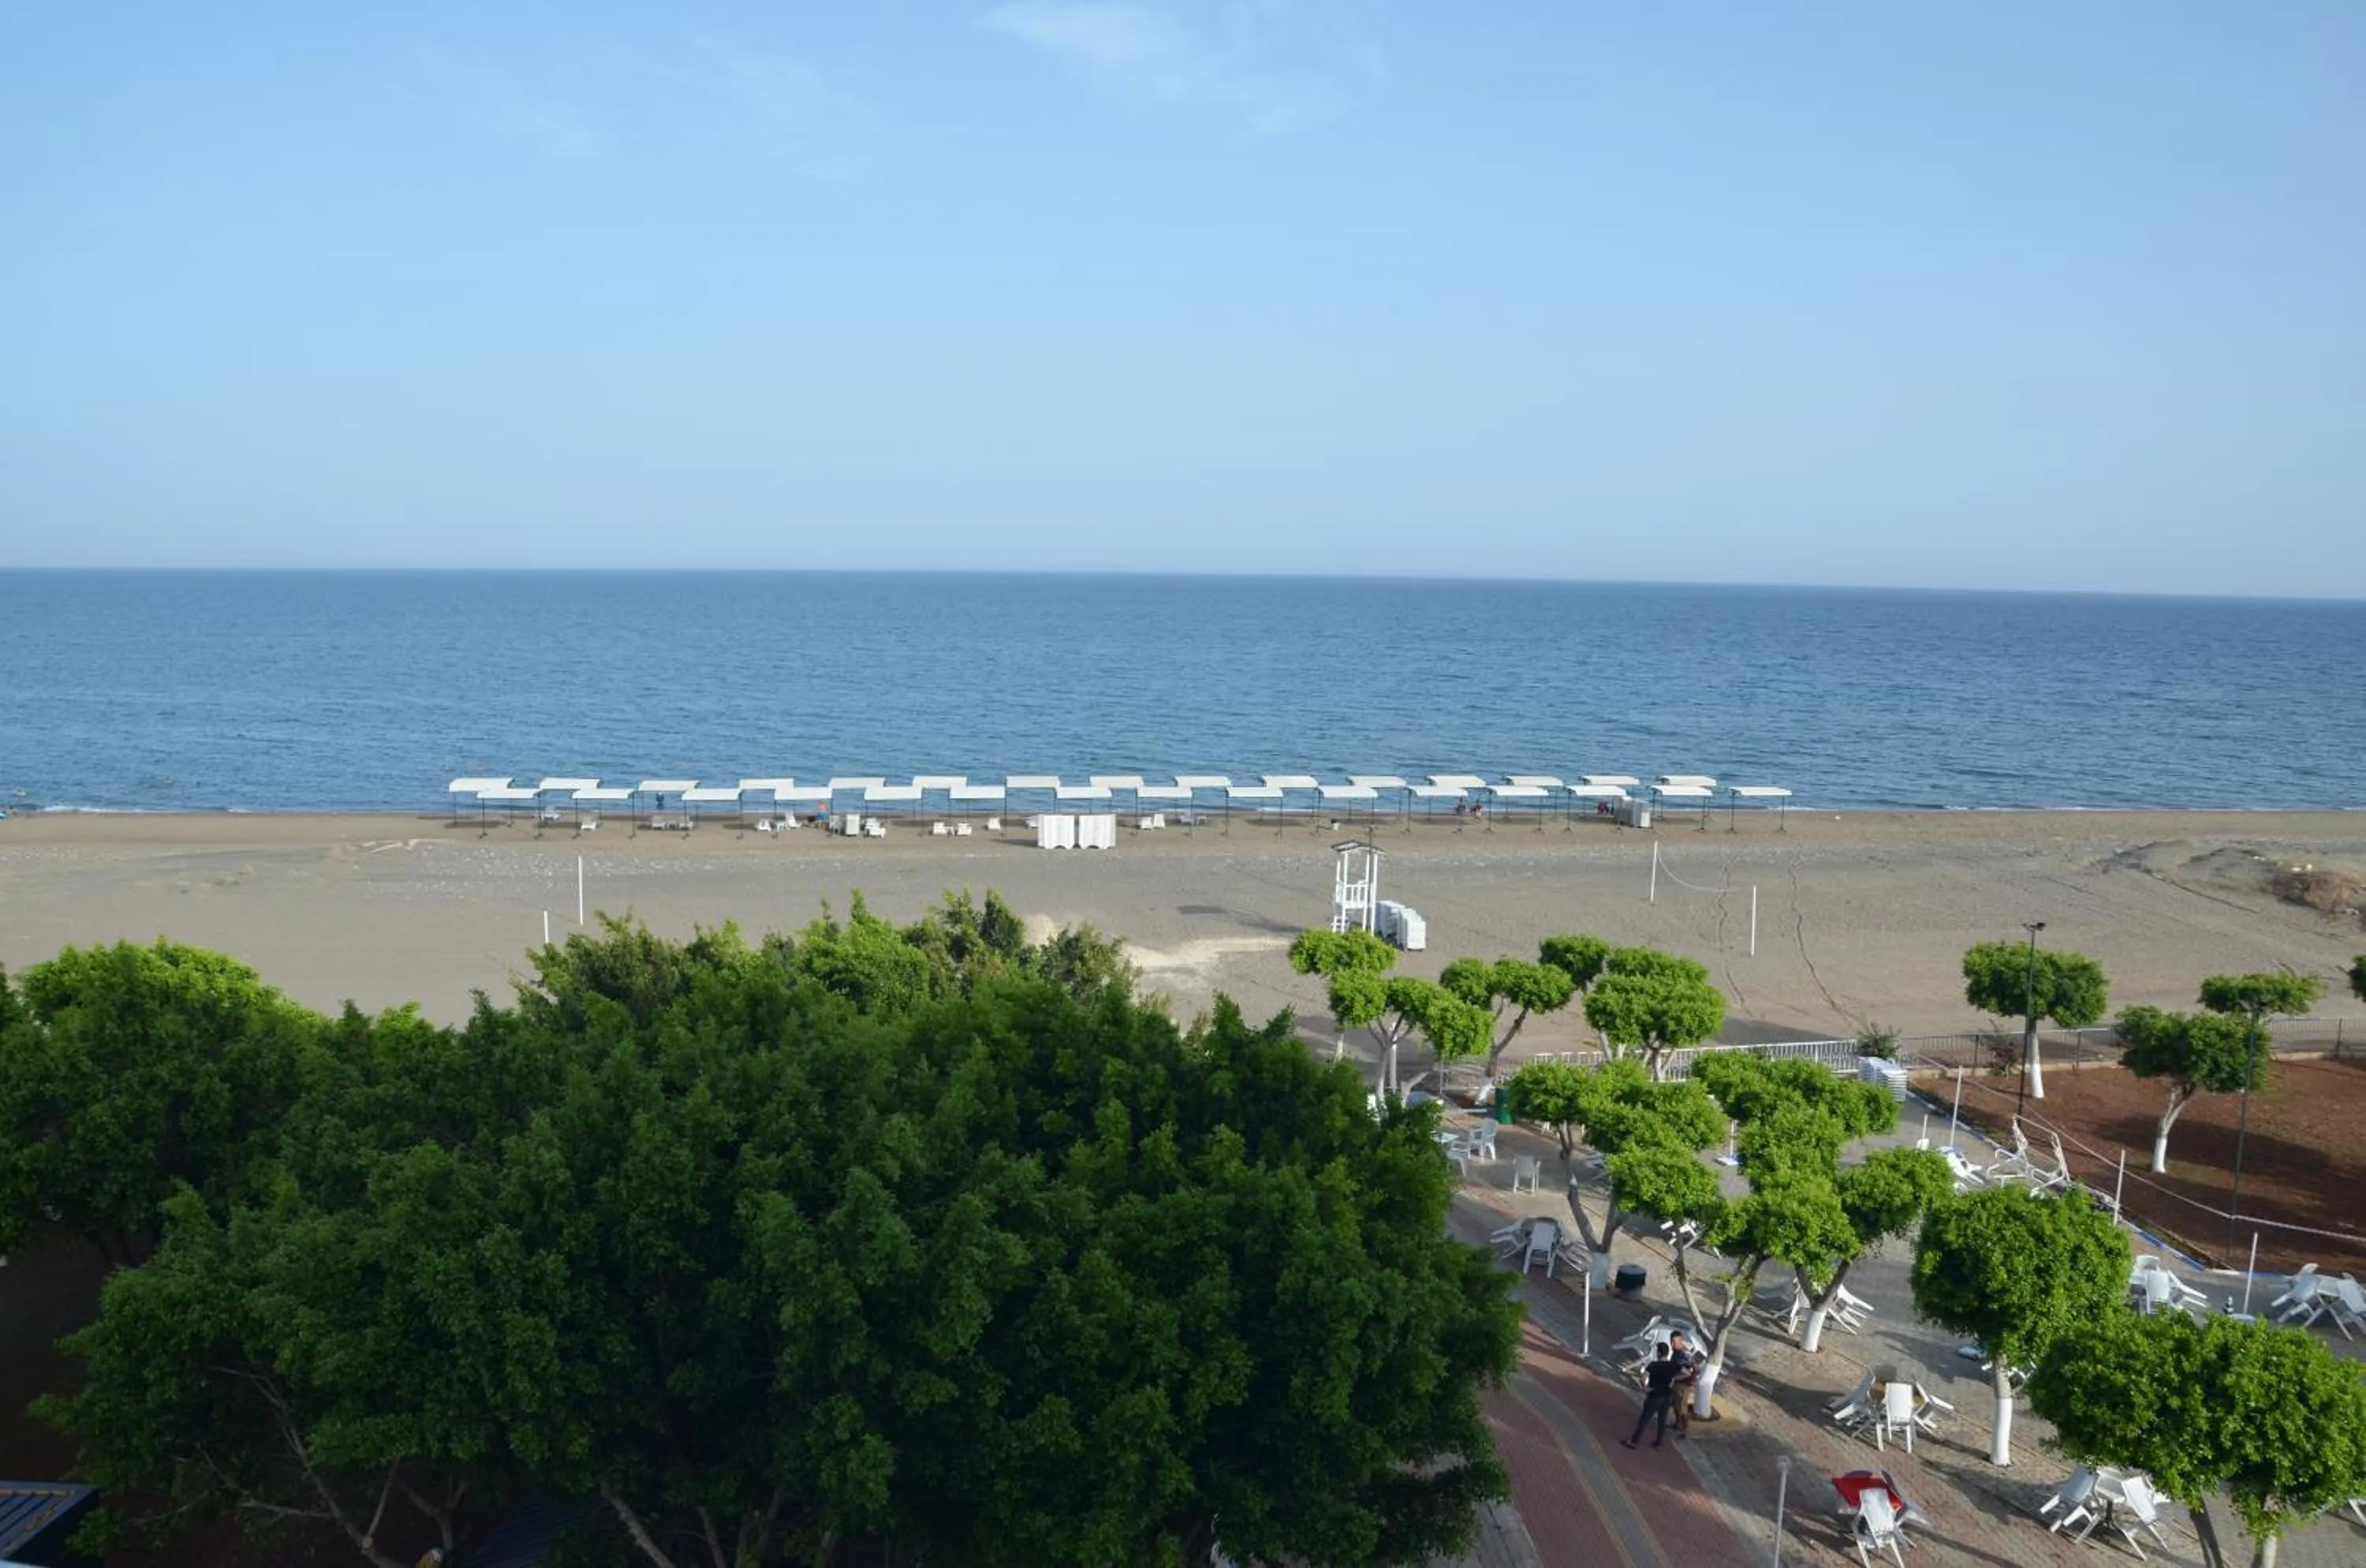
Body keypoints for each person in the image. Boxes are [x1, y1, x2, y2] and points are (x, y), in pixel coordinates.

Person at [1621, 1342, 1681, 1450]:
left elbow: (1644, 1376)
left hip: (1654, 1395)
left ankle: (1634, 1441)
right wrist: (1675, 1379)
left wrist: (1645, 1387)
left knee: (1645, 1419)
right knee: (1662, 1420)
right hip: (1667, 1396)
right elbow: (1686, 1372)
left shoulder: (1654, 1365)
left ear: (1659, 1353)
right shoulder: (1673, 1366)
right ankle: (1659, 1443)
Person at [1669, 1332, 1704, 1438]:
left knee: (1682, 1409)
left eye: (1675, 1342)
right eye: (1671, 1341)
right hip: (1676, 1382)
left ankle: (1685, 1431)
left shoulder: (1686, 1354)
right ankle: (1677, 1424)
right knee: (1676, 1405)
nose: (1672, 1344)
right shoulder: (1675, 1352)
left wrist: (1691, 1380)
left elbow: (1697, 1369)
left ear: (1681, 1341)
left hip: (1683, 1384)